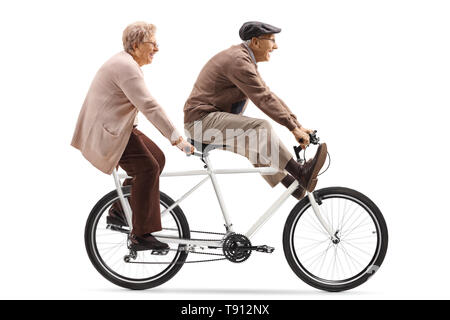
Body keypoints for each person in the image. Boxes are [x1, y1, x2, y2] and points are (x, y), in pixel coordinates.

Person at [71, 21, 194, 251]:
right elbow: (149, 106)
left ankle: (119, 209)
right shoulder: (125, 67)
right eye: (153, 44)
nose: (156, 49)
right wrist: (178, 140)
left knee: (157, 160)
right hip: (108, 132)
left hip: (117, 128)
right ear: (136, 45)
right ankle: (142, 235)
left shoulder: (126, 63)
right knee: (147, 168)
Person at [184, 21, 327, 199]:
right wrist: (292, 128)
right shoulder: (238, 61)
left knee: (257, 147)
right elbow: (263, 98)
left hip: (207, 122)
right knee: (260, 128)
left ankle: (294, 187)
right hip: (200, 122)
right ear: (256, 41)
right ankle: (300, 173)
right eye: (272, 40)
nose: (276, 46)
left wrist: (298, 125)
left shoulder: (243, 59)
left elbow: (268, 94)